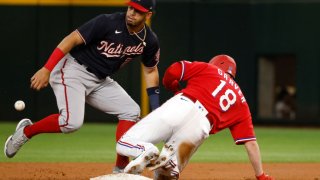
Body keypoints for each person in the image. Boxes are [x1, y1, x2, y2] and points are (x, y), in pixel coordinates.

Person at [4, 0, 160, 173]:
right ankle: (26, 132)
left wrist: (156, 108)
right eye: (130, 7)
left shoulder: (149, 40)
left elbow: (150, 71)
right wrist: (46, 69)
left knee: (131, 111)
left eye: (138, 11)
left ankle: (121, 168)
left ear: (148, 14)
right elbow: (71, 39)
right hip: (72, 70)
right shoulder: (107, 22)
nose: (131, 12)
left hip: (99, 80)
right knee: (71, 123)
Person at [116, 55, 274, 180]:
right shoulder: (241, 102)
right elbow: (251, 144)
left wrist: (170, 85)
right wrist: (260, 175)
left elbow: (173, 70)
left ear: (215, 64)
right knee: (167, 173)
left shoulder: (208, 69)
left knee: (125, 142)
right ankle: (168, 163)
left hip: (181, 106)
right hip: (200, 128)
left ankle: (146, 150)